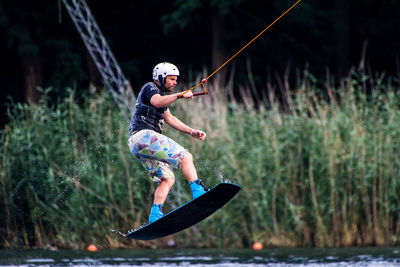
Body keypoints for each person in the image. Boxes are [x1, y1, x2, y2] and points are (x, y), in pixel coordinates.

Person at [127, 62, 208, 223]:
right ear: (161, 78)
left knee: (167, 178)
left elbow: (169, 118)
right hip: (143, 137)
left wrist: (192, 131)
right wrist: (180, 95)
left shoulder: (162, 96)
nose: (175, 82)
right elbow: (157, 102)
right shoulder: (150, 88)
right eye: (171, 79)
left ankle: (155, 215)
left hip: (138, 145)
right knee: (186, 156)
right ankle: (198, 190)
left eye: (176, 79)